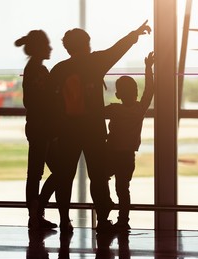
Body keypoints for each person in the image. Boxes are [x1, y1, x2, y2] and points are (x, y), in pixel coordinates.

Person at [49, 21, 151, 234]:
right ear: (86, 44)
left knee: (65, 176)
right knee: (98, 177)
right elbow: (118, 49)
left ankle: (64, 220)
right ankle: (103, 220)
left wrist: (55, 133)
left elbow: (52, 104)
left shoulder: (59, 70)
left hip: (67, 131)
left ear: (67, 48)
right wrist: (135, 33)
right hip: (93, 131)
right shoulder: (94, 63)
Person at [105, 52, 154, 232]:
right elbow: (150, 90)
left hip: (110, 153)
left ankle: (106, 205)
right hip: (127, 156)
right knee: (123, 189)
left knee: (101, 178)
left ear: (118, 95)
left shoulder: (114, 110)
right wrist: (148, 68)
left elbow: (95, 113)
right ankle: (123, 221)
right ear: (136, 93)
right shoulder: (139, 109)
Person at [15, 30, 59, 229]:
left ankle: (36, 212)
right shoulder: (39, 71)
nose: (50, 48)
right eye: (47, 45)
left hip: (36, 127)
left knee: (35, 173)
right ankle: (37, 210)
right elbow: (46, 101)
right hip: (43, 129)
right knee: (56, 171)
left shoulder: (33, 69)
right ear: (40, 48)